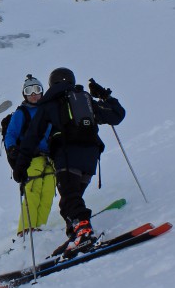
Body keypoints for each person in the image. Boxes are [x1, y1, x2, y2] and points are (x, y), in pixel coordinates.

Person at [12, 70, 126, 252]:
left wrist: (20, 166)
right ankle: (75, 232)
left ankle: (83, 231)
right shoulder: (84, 99)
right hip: (90, 158)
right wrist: (105, 95)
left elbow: (32, 137)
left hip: (67, 155)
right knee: (70, 200)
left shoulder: (49, 104)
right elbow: (117, 115)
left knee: (70, 198)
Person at [3, 75, 56, 235]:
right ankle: (25, 231)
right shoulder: (22, 113)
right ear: (24, 94)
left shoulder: (47, 110)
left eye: (37, 90)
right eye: (29, 91)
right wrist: (12, 148)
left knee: (47, 194)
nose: (34, 94)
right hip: (31, 158)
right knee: (33, 192)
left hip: (49, 158)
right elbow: (11, 133)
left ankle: (39, 228)